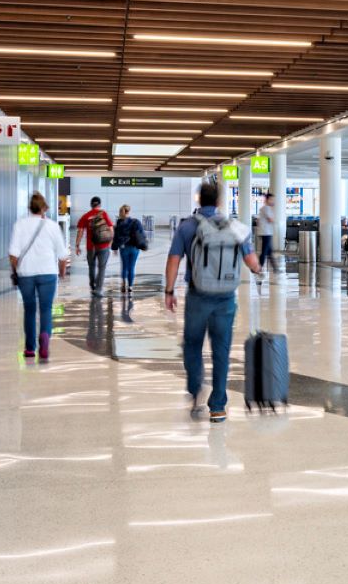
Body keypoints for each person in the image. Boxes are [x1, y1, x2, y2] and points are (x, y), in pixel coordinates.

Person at [165, 177, 261, 423]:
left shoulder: (187, 227)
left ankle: (196, 389)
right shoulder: (234, 226)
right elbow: (253, 264)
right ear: (219, 201)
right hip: (226, 299)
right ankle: (218, 407)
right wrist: (257, 264)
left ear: (199, 199)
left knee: (192, 345)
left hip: (198, 296)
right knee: (221, 351)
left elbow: (174, 259)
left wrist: (169, 290)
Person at [8, 192, 68, 362]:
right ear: (44, 208)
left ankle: (29, 348)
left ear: (30, 208)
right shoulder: (53, 226)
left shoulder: (19, 225)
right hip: (48, 272)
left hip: (25, 274)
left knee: (29, 309)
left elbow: (13, 254)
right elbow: (62, 255)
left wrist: (15, 270)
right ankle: (44, 337)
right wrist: (62, 271)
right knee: (46, 308)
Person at [75, 196, 114, 295]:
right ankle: (99, 289)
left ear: (91, 205)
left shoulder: (86, 216)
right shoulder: (104, 214)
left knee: (91, 267)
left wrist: (77, 245)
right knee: (102, 268)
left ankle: (92, 285)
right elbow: (111, 229)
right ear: (99, 204)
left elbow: (80, 232)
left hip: (91, 247)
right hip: (103, 245)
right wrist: (110, 242)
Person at [111, 203, 147, 297]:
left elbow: (116, 236)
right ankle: (130, 286)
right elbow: (142, 234)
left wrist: (114, 247)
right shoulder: (136, 222)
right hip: (135, 248)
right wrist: (143, 245)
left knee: (124, 266)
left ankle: (123, 284)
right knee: (132, 267)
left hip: (124, 248)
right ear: (129, 211)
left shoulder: (119, 222)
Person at [255, 191, 278, 277]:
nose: (273, 201)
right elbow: (270, 219)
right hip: (266, 232)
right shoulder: (266, 208)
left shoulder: (263, 208)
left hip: (265, 232)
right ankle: (259, 267)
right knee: (265, 251)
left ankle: (275, 268)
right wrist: (274, 219)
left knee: (269, 251)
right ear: (267, 200)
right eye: (272, 199)